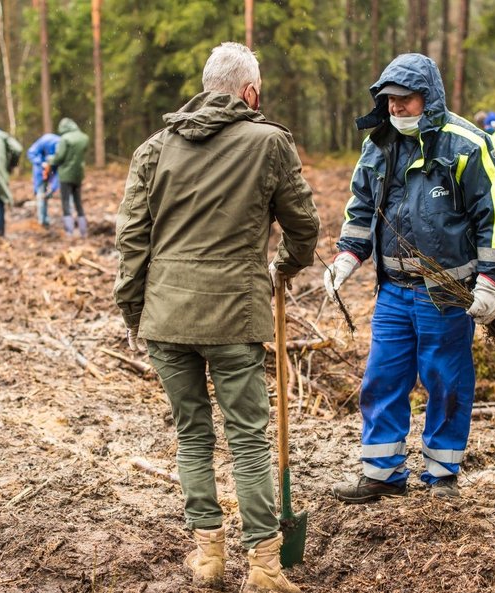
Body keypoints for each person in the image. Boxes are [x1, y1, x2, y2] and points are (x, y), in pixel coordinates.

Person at [114, 42, 319, 593]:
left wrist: (138, 311)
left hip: (167, 316)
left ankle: (208, 554)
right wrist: (285, 266)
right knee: (249, 441)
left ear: (207, 88)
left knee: (192, 434)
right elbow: (304, 225)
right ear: (249, 92)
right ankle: (265, 567)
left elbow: (132, 240)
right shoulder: (270, 143)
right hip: (235, 314)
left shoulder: (153, 149)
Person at [324, 53, 495, 502]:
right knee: (382, 378)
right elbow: (362, 207)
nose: (395, 108)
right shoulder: (379, 145)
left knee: (446, 380)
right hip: (393, 289)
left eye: (404, 100)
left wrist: (491, 282)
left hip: (446, 293)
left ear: (428, 99)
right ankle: (382, 474)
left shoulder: (468, 144)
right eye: (389, 100)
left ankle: (442, 474)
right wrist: (348, 256)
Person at [45, 118, 89, 238]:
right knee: (78, 202)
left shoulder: (65, 139)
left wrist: (50, 159)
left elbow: (59, 158)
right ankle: (83, 231)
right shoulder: (83, 137)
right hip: (78, 174)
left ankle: (69, 232)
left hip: (65, 175)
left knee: (65, 202)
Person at [27, 133, 61, 227]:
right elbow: (31, 153)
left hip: (52, 171)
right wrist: (42, 163)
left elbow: (59, 170)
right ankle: (42, 220)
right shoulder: (44, 141)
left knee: (46, 195)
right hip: (40, 171)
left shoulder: (62, 147)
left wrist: (53, 188)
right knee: (41, 194)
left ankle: (45, 219)